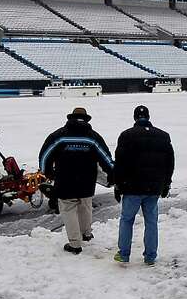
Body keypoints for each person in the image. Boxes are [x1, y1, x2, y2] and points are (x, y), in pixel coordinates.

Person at [39, 106, 114, 255]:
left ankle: (75, 244)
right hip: (87, 180)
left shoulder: (58, 136)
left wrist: (48, 173)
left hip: (65, 180)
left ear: (70, 118)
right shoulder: (93, 137)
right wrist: (113, 174)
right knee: (85, 205)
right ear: (86, 119)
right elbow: (106, 158)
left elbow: (45, 155)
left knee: (68, 208)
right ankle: (86, 234)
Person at [112, 105, 174, 266]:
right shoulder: (163, 136)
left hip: (131, 187)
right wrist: (166, 183)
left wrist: (117, 185)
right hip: (153, 187)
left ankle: (124, 254)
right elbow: (170, 162)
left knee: (127, 220)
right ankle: (150, 256)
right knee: (151, 221)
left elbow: (119, 163)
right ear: (148, 116)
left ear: (134, 118)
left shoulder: (126, 136)